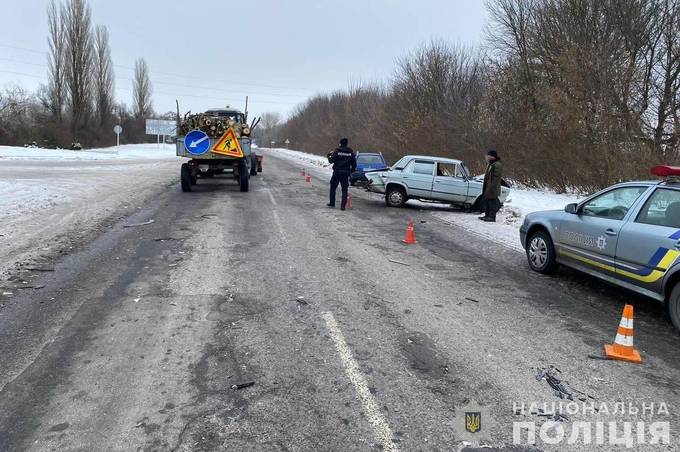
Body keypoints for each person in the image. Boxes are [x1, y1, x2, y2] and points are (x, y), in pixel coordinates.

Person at [327, 138, 357, 210]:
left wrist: (328, 156)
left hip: (337, 172)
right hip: (345, 173)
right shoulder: (350, 152)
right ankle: (343, 206)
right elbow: (354, 163)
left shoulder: (337, 151)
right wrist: (351, 171)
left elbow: (331, 161)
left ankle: (332, 203)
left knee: (333, 187)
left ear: (340, 143)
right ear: (347, 144)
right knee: (344, 190)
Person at [480, 149, 503, 222]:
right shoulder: (490, 164)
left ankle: (492, 217)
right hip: (488, 187)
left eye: (488, 156)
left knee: (492, 202)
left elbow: (496, 177)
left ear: (493, 157)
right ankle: (487, 215)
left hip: (493, 188)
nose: (487, 157)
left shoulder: (497, 165)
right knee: (487, 201)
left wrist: (492, 187)